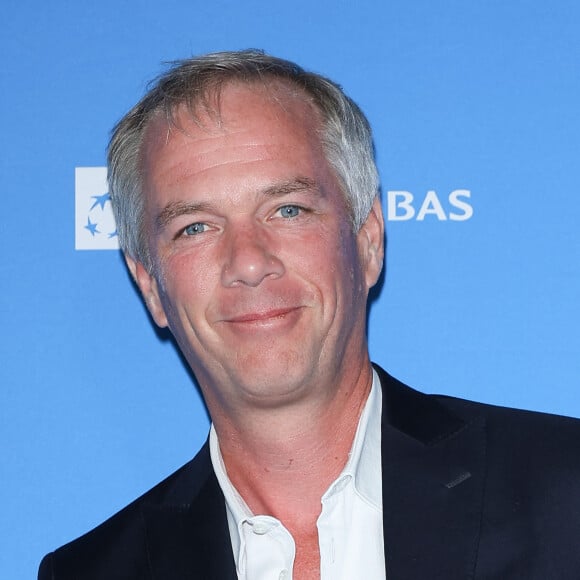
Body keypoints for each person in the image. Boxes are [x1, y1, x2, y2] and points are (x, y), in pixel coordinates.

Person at [39, 50, 580, 580]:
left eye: (288, 209)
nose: (248, 262)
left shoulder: (564, 490)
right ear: (151, 286)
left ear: (367, 242)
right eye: (196, 227)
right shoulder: (92, 571)